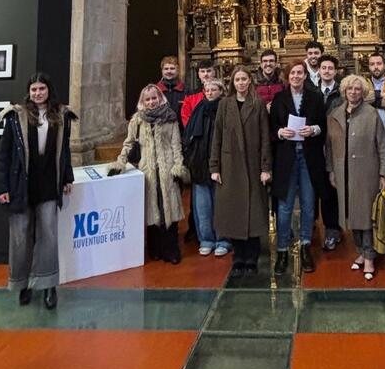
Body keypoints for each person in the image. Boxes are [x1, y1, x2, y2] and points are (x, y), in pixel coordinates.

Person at [0, 72, 76, 310]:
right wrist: (2, 186)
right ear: (28, 92)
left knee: (48, 235)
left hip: (48, 183)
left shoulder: (61, 116)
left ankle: (48, 285)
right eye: (34, 89)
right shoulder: (15, 117)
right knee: (21, 236)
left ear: (48, 90)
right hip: (21, 184)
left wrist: (67, 177)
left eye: (42, 88)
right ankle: (23, 284)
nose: (38, 93)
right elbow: (5, 154)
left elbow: (65, 150)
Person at [110, 83, 187, 263]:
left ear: (160, 98)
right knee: (151, 211)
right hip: (147, 170)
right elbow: (128, 144)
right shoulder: (137, 120)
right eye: (148, 99)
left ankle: (171, 249)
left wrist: (178, 166)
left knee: (169, 209)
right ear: (143, 101)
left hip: (167, 169)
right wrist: (120, 163)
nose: (152, 102)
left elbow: (176, 145)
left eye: (154, 98)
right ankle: (155, 248)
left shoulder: (170, 118)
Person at [210, 65, 273, 275]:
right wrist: (215, 166)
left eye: (244, 79)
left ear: (250, 81)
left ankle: (252, 257)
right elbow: (217, 136)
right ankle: (238, 257)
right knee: (233, 212)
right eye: (237, 80)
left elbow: (265, 137)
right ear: (232, 83)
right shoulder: (225, 105)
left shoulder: (258, 104)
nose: (241, 83)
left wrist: (266, 167)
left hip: (253, 165)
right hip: (230, 166)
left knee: (254, 212)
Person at [326, 74, 385, 281]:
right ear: (344, 91)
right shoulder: (335, 114)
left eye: (357, 89)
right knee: (351, 215)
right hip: (343, 170)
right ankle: (361, 251)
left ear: (363, 92)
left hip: (366, 170)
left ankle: (369, 256)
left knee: (365, 215)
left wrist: (384, 173)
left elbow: (382, 145)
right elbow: (329, 146)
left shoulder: (372, 114)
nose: (353, 92)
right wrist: (331, 170)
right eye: (350, 89)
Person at [269, 60, 327, 274]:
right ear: (287, 76)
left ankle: (305, 246)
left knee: (308, 204)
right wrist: (279, 133)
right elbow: (271, 128)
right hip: (286, 157)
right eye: (292, 73)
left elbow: (324, 124)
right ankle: (282, 249)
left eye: (299, 73)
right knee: (284, 206)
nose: (296, 76)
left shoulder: (315, 98)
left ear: (305, 76)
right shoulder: (279, 99)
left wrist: (314, 129)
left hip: (309, 157)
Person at [182, 77, 230, 256]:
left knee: (221, 205)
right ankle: (206, 239)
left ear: (221, 91)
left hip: (221, 164)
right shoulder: (198, 110)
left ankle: (223, 239)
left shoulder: (225, 109)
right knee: (203, 206)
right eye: (207, 90)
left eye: (213, 90)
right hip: (200, 164)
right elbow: (189, 136)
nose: (209, 93)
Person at [316, 54, 343, 249]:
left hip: (336, 144)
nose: (326, 71)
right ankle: (311, 227)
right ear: (318, 70)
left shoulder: (342, 92)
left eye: (330, 68)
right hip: (315, 145)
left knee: (332, 190)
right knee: (319, 189)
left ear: (335, 71)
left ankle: (333, 229)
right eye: (323, 68)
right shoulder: (311, 91)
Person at [181, 61, 217, 127]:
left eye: (209, 71)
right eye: (202, 71)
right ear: (198, 74)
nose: (206, 74)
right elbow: (186, 116)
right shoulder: (191, 96)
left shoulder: (222, 93)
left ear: (214, 72)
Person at [366, 51, 385, 127]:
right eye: (372, 64)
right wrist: (380, 95)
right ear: (368, 67)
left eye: (379, 63)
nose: (375, 67)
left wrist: (372, 99)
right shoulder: (363, 83)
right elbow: (362, 101)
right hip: (370, 128)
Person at [156, 56, 187, 125]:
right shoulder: (155, 91)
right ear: (162, 71)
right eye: (166, 69)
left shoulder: (186, 91)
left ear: (178, 70)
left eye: (172, 68)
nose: (169, 71)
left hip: (181, 132)